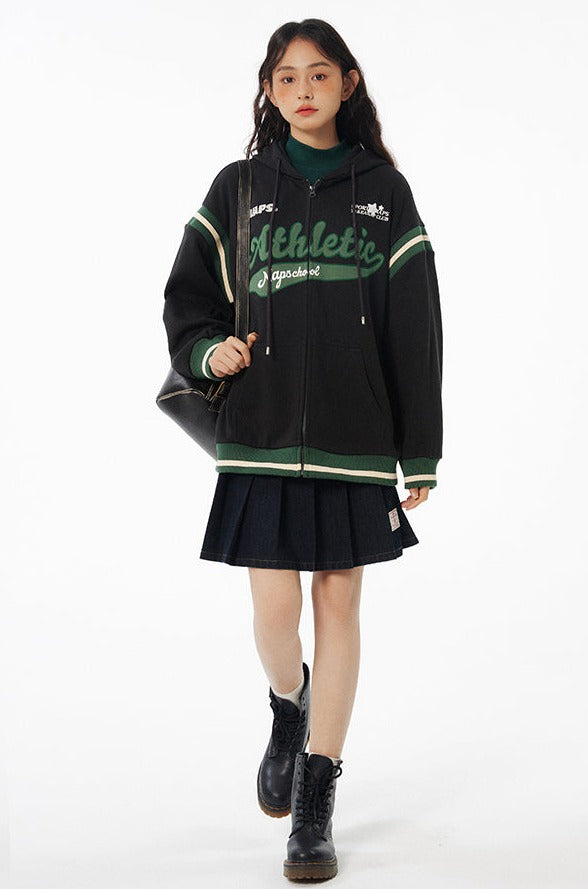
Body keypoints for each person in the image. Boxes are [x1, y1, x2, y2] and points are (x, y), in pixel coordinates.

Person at [161, 18, 443, 882]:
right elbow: (187, 297)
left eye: (318, 74)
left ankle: (316, 797)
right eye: (286, 77)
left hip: (356, 439)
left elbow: (415, 325)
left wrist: (419, 449)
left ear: (347, 83)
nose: (302, 90)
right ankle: (291, 703)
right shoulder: (239, 186)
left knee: (338, 602)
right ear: (269, 91)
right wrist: (207, 350)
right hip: (260, 431)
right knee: (274, 613)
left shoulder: (383, 192)